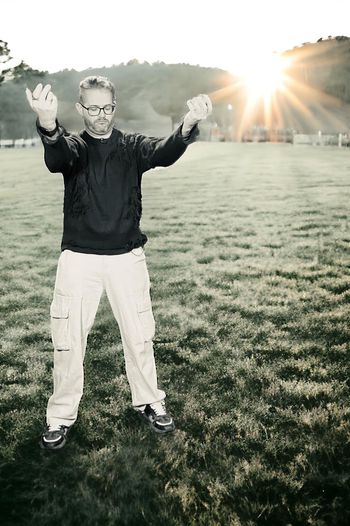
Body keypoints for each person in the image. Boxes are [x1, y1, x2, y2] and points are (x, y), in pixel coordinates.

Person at [25, 75, 212, 450]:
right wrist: (47, 123)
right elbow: (57, 157)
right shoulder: (75, 147)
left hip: (126, 257)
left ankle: (150, 402)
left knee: (140, 335)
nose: (101, 115)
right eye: (93, 108)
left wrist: (188, 123)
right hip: (79, 259)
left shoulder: (131, 146)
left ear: (115, 106)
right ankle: (59, 417)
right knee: (68, 341)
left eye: (107, 107)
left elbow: (163, 152)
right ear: (80, 108)